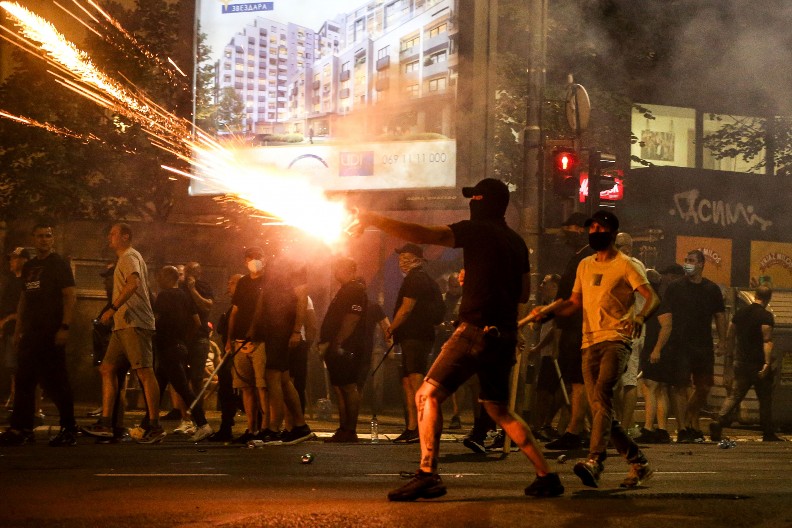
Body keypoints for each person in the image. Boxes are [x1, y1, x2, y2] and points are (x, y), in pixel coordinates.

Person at [357, 178, 563, 500]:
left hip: (475, 331)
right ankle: (546, 475)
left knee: (427, 395)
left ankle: (427, 474)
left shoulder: (477, 229)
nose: (470, 204)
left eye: (474, 198)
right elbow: (522, 292)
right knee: (498, 410)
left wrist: (375, 219)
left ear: (481, 202)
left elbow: (426, 235)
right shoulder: (516, 241)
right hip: (505, 334)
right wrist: (484, 278)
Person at [534, 210, 659, 489]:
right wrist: (548, 312)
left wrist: (639, 317)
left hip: (616, 340)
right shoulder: (584, 265)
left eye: (600, 228)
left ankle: (595, 460)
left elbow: (652, 297)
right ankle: (638, 462)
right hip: (588, 342)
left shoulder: (628, 265)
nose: (594, 232)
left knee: (601, 396)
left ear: (612, 233)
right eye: (591, 228)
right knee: (599, 406)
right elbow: (574, 302)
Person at [82, 223, 164, 444]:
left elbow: (133, 283)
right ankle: (106, 424)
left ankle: (155, 426)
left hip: (134, 322)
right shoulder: (124, 258)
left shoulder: (129, 256)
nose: (109, 237)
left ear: (125, 236)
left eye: (113, 233)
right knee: (107, 368)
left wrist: (113, 308)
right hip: (122, 325)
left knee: (144, 372)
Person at [0, 225, 77, 447]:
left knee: (57, 382)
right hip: (30, 333)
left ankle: (68, 428)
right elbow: (24, 299)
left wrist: (65, 327)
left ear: (52, 239)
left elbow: (70, 296)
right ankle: (21, 429)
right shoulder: (31, 266)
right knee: (24, 380)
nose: (44, 240)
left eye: (48, 236)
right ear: (33, 239)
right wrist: (17, 330)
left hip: (51, 331)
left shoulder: (59, 264)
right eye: (40, 236)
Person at [664, 249, 727, 443]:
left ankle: (691, 413)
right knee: (680, 386)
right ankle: (683, 428)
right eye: (685, 260)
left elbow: (720, 315)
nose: (687, 263)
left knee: (704, 386)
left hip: (703, 345)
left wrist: (723, 341)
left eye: (691, 260)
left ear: (701, 264)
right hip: (680, 344)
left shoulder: (712, 289)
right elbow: (666, 315)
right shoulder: (675, 287)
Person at [545, 212, 593, 451]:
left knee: (579, 381)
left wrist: (551, 312)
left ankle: (576, 431)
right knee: (576, 381)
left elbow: (575, 297)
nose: (566, 233)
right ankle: (582, 429)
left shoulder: (588, 257)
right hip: (572, 326)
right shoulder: (578, 257)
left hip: (580, 327)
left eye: (570, 228)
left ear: (581, 229)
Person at [149, 266, 213, 442]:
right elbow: (197, 322)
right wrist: (185, 339)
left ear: (169, 277)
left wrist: (151, 333)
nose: (157, 279)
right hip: (179, 346)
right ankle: (147, 425)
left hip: (167, 347)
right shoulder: (185, 296)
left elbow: (156, 320)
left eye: (160, 275)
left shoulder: (164, 296)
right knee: (158, 386)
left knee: (183, 388)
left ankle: (203, 424)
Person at [709, 286, 780, 442]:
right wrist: (767, 363)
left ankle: (718, 421)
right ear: (769, 298)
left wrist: (729, 358)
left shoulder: (739, 314)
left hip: (740, 362)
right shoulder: (766, 316)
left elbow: (730, 336)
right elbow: (767, 341)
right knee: (765, 398)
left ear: (755, 295)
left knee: (735, 395)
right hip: (758, 363)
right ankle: (768, 432)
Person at [259, 251, 314, 445]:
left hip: (283, 329)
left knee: (273, 375)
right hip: (274, 328)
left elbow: (301, 298)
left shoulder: (297, 262)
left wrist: (296, 330)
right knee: (282, 378)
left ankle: (274, 428)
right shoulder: (275, 264)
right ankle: (300, 426)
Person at [388, 243, 440, 444]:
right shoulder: (417, 278)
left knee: (416, 382)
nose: (402, 262)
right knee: (409, 382)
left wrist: (391, 327)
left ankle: (421, 427)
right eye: (401, 258)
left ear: (418, 261)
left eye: (407, 258)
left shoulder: (416, 279)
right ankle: (412, 428)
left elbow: (407, 308)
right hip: (413, 337)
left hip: (416, 337)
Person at [318, 256, 368, 443]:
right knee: (339, 387)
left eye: (339, 268)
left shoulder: (355, 290)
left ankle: (350, 429)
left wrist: (338, 341)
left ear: (350, 270)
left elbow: (351, 319)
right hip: (336, 347)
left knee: (348, 386)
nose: (335, 271)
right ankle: (343, 428)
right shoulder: (345, 290)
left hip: (347, 347)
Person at [224, 247, 269, 444]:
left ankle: (266, 428)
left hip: (261, 340)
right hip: (241, 342)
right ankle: (251, 428)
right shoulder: (243, 282)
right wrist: (229, 339)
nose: (254, 262)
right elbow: (235, 311)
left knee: (262, 385)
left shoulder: (269, 281)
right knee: (246, 387)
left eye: (257, 258)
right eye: (250, 259)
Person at [633, 269, 673, 444]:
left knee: (649, 387)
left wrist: (656, 349)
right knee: (660, 389)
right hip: (659, 351)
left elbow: (667, 326)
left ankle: (649, 428)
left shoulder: (655, 303)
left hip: (654, 350)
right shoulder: (659, 301)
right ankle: (662, 429)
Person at [613, 232, 647, 434]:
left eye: (616, 245)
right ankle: (622, 423)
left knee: (628, 380)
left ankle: (624, 428)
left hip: (631, 331)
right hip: (617, 330)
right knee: (615, 382)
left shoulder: (633, 266)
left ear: (626, 248)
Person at [207, 273, 244, 442]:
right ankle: (226, 425)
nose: (229, 286)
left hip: (238, 353)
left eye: (232, 283)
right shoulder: (232, 306)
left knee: (236, 391)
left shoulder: (244, 305)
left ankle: (253, 425)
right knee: (226, 391)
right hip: (228, 354)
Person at [0, 247, 30, 409]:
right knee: (13, 368)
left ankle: (27, 403)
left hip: (22, 331)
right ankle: (14, 397)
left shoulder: (27, 282)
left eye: (15, 258)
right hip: (10, 331)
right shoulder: (12, 282)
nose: (11, 262)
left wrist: (6, 320)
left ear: (24, 260)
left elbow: (25, 310)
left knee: (23, 367)